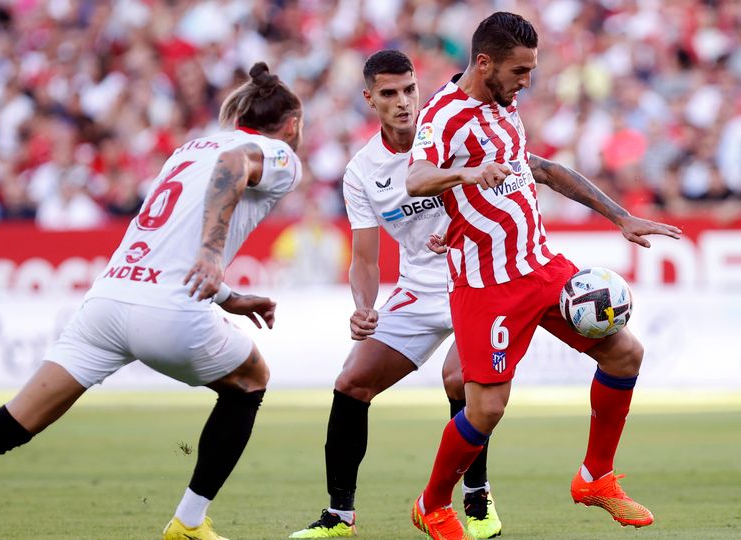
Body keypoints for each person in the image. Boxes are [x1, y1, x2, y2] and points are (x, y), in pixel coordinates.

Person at [0, 62, 303, 540]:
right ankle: (189, 522)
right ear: (293, 124)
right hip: (169, 313)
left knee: (10, 421)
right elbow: (234, 167)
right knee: (252, 380)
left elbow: (170, 239)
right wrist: (214, 255)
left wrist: (228, 295)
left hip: (108, 302)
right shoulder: (278, 153)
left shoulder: (189, 149)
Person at [405, 12, 682, 539]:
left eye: (530, 70)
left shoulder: (505, 107)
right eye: (519, 71)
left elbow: (543, 169)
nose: (526, 81)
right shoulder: (444, 116)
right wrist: (465, 173)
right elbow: (416, 178)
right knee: (486, 407)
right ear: (483, 62)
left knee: (626, 353)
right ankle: (433, 504)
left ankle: (594, 477)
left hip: (540, 265)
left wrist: (619, 215)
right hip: (486, 282)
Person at [290, 50, 502, 540]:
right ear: (370, 99)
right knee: (351, 383)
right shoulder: (362, 171)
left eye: (409, 89)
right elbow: (365, 259)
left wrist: (463, 228)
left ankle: (475, 497)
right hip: (417, 290)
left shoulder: (449, 131)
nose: (404, 102)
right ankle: (339, 517)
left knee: (460, 379)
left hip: (475, 278)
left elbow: (500, 190)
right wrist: (364, 307)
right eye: (390, 93)